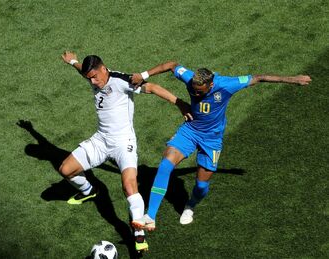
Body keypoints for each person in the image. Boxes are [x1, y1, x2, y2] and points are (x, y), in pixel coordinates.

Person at [130, 61, 311, 231]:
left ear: (210, 85)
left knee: (201, 186)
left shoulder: (227, 85)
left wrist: (293, 79)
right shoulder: (191, 78)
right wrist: (144, 74)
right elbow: (172, 65)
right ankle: (150, 216)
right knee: (165, 164)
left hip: (212, 140)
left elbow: (259, 77)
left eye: (200, 92)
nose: (196, 95)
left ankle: (190, 205)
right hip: (190, 130)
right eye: (194, 90)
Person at [59, 52, 191, 252]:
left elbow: (153, 88)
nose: (93, 82)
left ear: (104, 69)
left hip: (123, 143)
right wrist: (73, 62)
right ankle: (89, 191)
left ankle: (139, 233)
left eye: (95, 76)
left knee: (129, 186)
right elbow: (83, 72)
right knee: (66, 169)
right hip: (101, 140)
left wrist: (180, 104)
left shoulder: (121, 81)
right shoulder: (93, 77)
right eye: (89, 78)